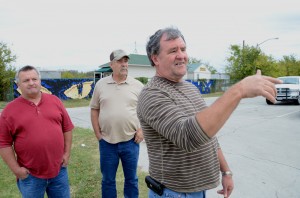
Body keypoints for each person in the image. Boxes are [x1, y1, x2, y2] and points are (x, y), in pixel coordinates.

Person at [137, 27, 282, 198]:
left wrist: (226, 171)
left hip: (198, 191)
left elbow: (209, 135)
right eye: (173, 50)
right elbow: (188, 136)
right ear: (155, 58)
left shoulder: (191, 88)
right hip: (172, 193)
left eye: (183, 49)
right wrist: (239, 90)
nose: (181, 55)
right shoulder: (152, 94)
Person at [0, 65, 74, 198]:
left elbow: (67, 128)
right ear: (18, 84)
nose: (31, 83)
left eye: (34, 79)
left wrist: (67, 153)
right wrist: (16, 170)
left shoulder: (55, 101)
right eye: (26, 80)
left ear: (40, 81)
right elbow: (3, 143)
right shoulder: (9, 111)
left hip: (59, 171)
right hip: (30, 176)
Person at [90, 49, 144, 198]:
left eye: (126, 61)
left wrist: (142, 131)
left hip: (131, 142)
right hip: (107, 142)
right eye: (120, 61)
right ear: (111, 64)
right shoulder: (101, 85)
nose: (124, 64)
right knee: (108, 181)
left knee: (131, 180)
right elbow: (94, 109)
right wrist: (97, 133)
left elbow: (147, 113)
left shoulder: (138, 86)